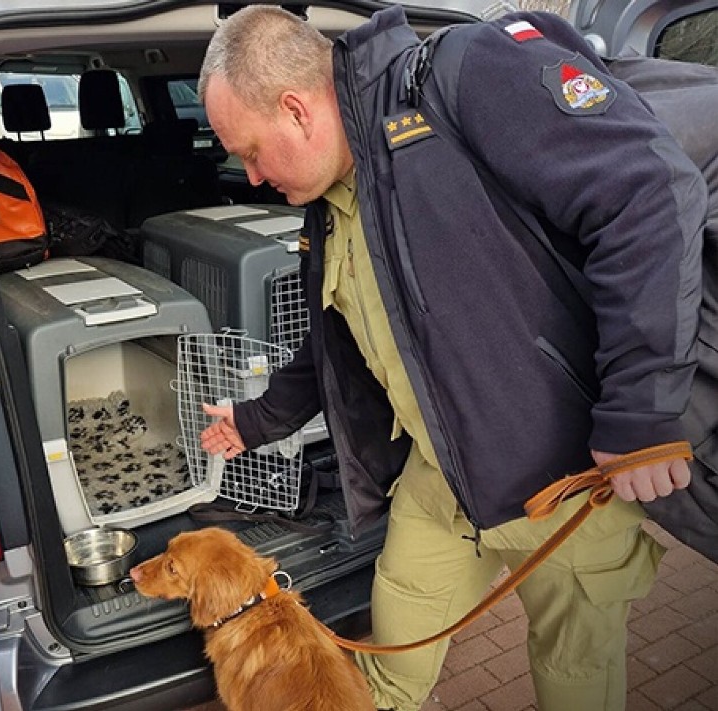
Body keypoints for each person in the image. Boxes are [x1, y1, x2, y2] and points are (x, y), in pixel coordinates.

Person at [196, 6, 706, 711]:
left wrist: (644, 410)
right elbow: (336, 340)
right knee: (385, 672)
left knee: (576, 680)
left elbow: (647, 192)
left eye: (250, 151)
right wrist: (254, 421)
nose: (250, 176)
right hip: (440, 483)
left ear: (296, 109)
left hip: (564, 487)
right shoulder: (328, 197)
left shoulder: (464, 76)